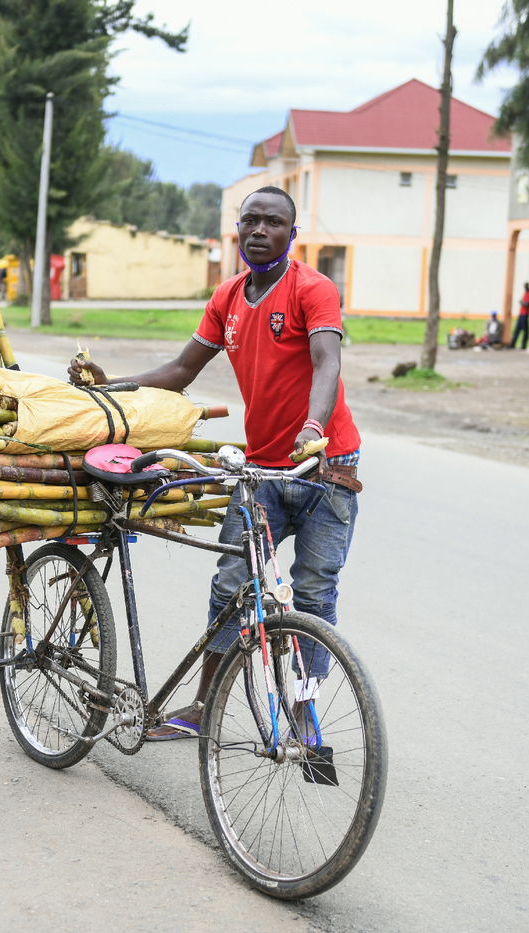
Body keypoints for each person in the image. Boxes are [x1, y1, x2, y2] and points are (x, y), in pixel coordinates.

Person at [68, 185, 362, 741]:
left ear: (291, 233)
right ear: (238, 229)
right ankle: (204, 708)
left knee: (315, 592)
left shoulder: (313, 289)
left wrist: (313, 427)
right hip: (261, 471)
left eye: (273, 222)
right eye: (250, 220)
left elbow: (327, 362)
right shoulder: (227, 297)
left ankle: (303, 708)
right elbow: (182, 371)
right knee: (230, 588)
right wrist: (112, 386)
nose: (259, 230)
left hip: (325, 466)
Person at [512, 281, 529, 350]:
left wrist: (521, 302)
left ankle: (523, 345)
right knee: (517, 329)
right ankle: (512, 344)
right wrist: (522, 302)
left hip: (525, 314)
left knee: (525, 330)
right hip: (521, 314)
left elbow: (526, 304)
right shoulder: (525, 293)